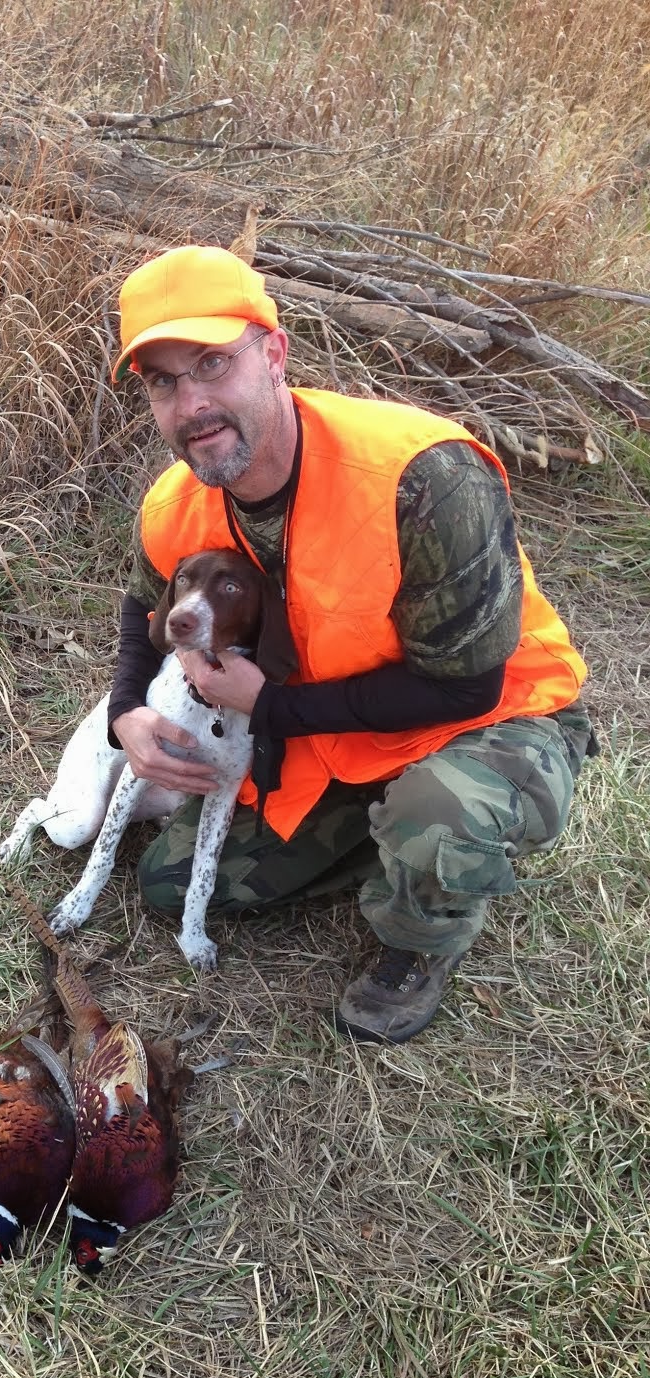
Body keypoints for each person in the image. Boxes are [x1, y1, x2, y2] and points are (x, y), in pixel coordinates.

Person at [105, 244, 595, 1044]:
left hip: (494, 717)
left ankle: (424, 922)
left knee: (435, 818)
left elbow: (468, 689)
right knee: (168, 884)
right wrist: (125, 715)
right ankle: (392, 838)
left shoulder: (423, 479)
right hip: (339, 733)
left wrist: (276, 709)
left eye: (212, 363)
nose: (192, 403)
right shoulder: (176, 503)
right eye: (164, 381)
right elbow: (141, 612)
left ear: (274, 355)